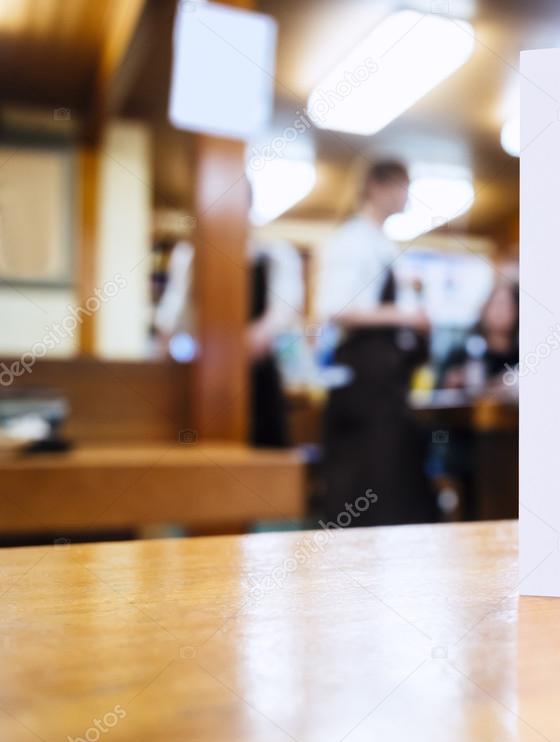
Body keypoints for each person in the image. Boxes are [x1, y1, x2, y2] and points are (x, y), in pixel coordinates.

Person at [316, 159, 438, 526]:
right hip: (364, 383)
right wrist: (404, 316)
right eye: (402, 186)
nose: (406, 196)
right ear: (376, 186)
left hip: (388, 383)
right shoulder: (353, 239)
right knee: (364, 480)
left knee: (394, 476)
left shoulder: (381, 242)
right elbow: (334, 307)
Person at [153, 237, 303, 446]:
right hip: (205, 372)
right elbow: (173, 313)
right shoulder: (189, 254)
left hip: (259, 373)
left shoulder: (274, 254)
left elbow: (283, 311)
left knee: (265, 448)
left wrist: (249, 341)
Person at [439, 280, 519, 391]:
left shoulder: (521, 356)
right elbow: (441, 388)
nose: (500, 312)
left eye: (507, 306)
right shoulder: (464, 352)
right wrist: (452, 382)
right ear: (485, 308)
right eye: (496, 304)